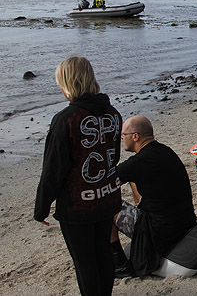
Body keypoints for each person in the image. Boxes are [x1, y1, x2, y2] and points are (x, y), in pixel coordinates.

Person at [34, 56, 122, 296]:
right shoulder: (113, 113)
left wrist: (41, 207)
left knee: (85, 262)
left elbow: (53, 169)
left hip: (78, 205)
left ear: (67, 84)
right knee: (103, 252)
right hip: (107, 196)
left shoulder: (66, 119)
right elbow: (113, 157)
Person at [111, 116, 197, 277]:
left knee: (107, 206)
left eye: (123, 135)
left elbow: (105, 183)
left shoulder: (140, 161)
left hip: (160, 232)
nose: (122, 139)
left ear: (135, 136)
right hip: (183, 222)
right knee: (133, 180)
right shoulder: (164, 151)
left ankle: (119, 265)